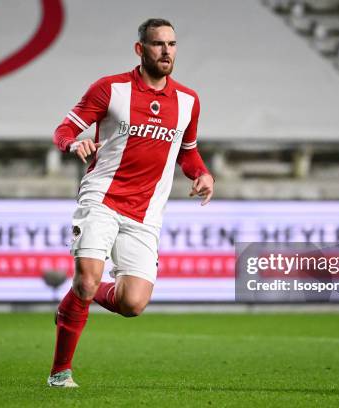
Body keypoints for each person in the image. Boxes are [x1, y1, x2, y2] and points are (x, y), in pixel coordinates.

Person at [47, 18, 214, 387]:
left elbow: (188, 152)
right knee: (89, 280)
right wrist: (73, 143)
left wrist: (202, 173)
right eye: (158, 44)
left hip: (146, 213)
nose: (166, 51)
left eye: (171, 44)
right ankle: (60, 373)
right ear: (140, 49)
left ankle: (77, 295)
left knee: (133, 304)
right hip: (102, 198)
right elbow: (64, 130)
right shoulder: (110, 89)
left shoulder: (188, 101)